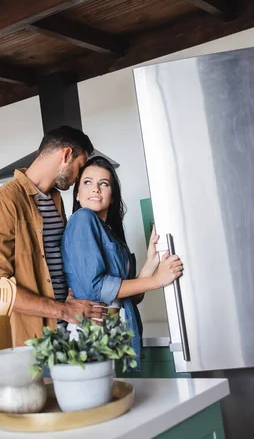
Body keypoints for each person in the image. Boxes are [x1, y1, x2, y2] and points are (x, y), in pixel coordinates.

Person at [0, 126, 108, 346]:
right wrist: (63, 310)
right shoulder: (4, 203)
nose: (79, 176)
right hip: (29, 341)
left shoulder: (54, 199)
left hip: (64, 331)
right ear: (66, 155)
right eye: (80, 166)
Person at [61, 156, 183, 364]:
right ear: (78, 194)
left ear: (113, 196)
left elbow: (132, 297)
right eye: (87, 182)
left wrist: (151, 263)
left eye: (104, 184)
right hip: (89, 335)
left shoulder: (111, 235)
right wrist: (156, 281)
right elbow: (95, 289)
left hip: (115, 335)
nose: (95, 189)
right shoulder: (83, 219)